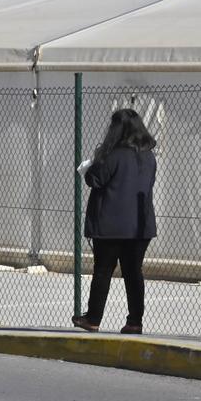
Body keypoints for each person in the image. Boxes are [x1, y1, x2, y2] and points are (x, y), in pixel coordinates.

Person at [73, 108, 157, 334]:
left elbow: (95, 179)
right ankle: (135, 321)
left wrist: (92, 165)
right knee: (133, 273)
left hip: (110, 224)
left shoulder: (112, 154)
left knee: (103, 271)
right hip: (140, 226)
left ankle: (92, 318)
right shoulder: (148, 156)